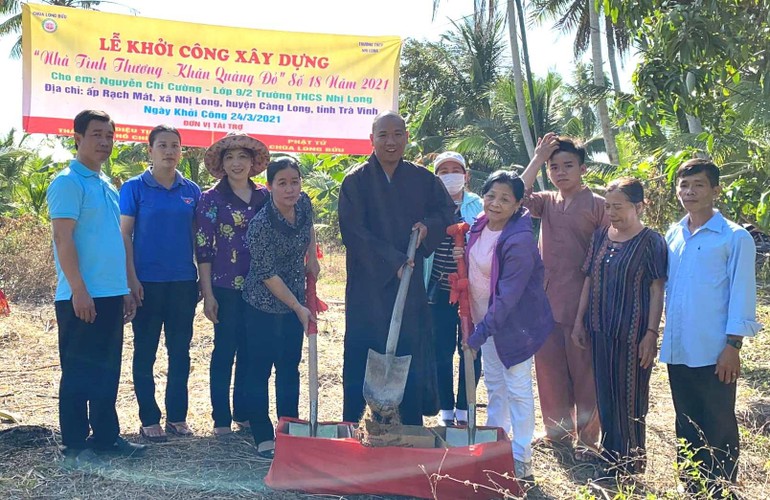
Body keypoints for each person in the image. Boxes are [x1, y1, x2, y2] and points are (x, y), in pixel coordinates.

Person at [339, 111, 456, 425]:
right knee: (362, 348)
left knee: (408, 349)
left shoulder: (422, 178)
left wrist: (429, 228)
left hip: (411, 283)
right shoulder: (356, 181)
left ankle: (408, 423)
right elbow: (352, 231)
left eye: (397, 134)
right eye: (383, 135)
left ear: (406, 137)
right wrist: (393, 262)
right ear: (372, 139)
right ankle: (354, 421)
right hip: (368, 284)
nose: (390, 141)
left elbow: (446, 211)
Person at [46, 110, 145, 461]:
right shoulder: (67, 182)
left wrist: (126, 285)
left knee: (107, 370)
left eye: (109, 135)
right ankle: (74, 443)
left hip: (109, 293)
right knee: (78, 370)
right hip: (80, 296)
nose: (104, 141)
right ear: (77, 137)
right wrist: (78, 289)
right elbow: (63, 238)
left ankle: (106, 437)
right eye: (96, 134)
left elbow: (115, 239)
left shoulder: (107, 185)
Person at [660, 159, 761, 496]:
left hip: (715, 348)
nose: (689, 192)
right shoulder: (673, 234)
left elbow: (742, 293)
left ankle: (720, 487)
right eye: (684, 185)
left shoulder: (734, 237)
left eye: (698, 185)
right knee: (685, 419)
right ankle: (691, 484)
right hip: (678, 346)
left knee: (718, 421)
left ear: (715, 190)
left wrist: (733, 346)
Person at [462, 171, 554, 481]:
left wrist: (478, 335)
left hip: (514, 324)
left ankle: (520, 455)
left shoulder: (520, 240)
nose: (495, 204)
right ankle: (495, 444)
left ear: (517, 205)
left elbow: (508, 297)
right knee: (495, 386)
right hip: (483, 321)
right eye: (490, 196)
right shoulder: (479, 225)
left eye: (505, 199)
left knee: (517, 387)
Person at [571, 178, 667, 475]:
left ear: (638, 206)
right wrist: (579, 322)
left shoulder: (652, 241)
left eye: (618, 206)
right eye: (608, 206)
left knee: (631, 396)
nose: (611, 212)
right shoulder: (601, 236)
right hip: (599, 327)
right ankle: (610, 455)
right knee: (605, 393)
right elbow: (589, 278)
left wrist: (651, 334)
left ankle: (631, 461)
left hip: (633, 332)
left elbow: (656, 289)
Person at [520, 133, 608, 456]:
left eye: (568, 165)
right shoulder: (545, 201)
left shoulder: (599, 206)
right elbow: (516, 194)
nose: (560, 172)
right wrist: (538, 159)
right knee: (549, 371)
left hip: (583, 303)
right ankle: (557, 434)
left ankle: (588, 438)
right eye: (554, 167)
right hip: (545, 302)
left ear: (583, 168)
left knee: (585, 371)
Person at [119, 125, 202, 442]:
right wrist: (131, 279)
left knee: (180, 353)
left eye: (175, 146)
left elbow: (199, 239)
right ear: (150, 150)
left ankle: (177, 417)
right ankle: (148, 418)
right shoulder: (134, 188)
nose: (169, 151)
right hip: (146, 284)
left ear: (182, 151)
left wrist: (199, 280)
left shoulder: (191, 191)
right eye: (163, 145)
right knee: (145, 353)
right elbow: (125, 235)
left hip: (182, 282)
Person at [242, 157, 319, 459]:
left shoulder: (304, 204)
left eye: (295, 182)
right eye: (282, 183)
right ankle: (262, 432)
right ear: (270, 186)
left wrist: (312, 256)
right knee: (260, 368)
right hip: (262, 303)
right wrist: (299, 308)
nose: (290, 189)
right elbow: (267, 275)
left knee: (289, 367)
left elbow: (310, 227)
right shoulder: (260, 225)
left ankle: (288, 426)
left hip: (295, 299)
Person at [195, 133, 270, 436]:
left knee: (252, 350)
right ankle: (221, 418)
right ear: (221, 164)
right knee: (225, 350)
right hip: (224, 287)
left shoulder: (266, 196)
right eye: (229, 157)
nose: (236, 163)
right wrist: (207, 294)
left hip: (262, 286)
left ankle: (245, 412)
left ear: (253, 163)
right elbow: (203, 248)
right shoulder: (210, 199)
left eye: (242, 157)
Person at [424, 151, 483, 426]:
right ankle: (446, 410)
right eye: (443, 171)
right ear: (435, 178)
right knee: (442, 348)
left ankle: (466, 408)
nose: (450, 175)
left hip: (472, 290)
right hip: (439, 288)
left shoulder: (479, 206)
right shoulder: (427, 206)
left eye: (455, 170)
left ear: (466, 176)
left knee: (471, 348)